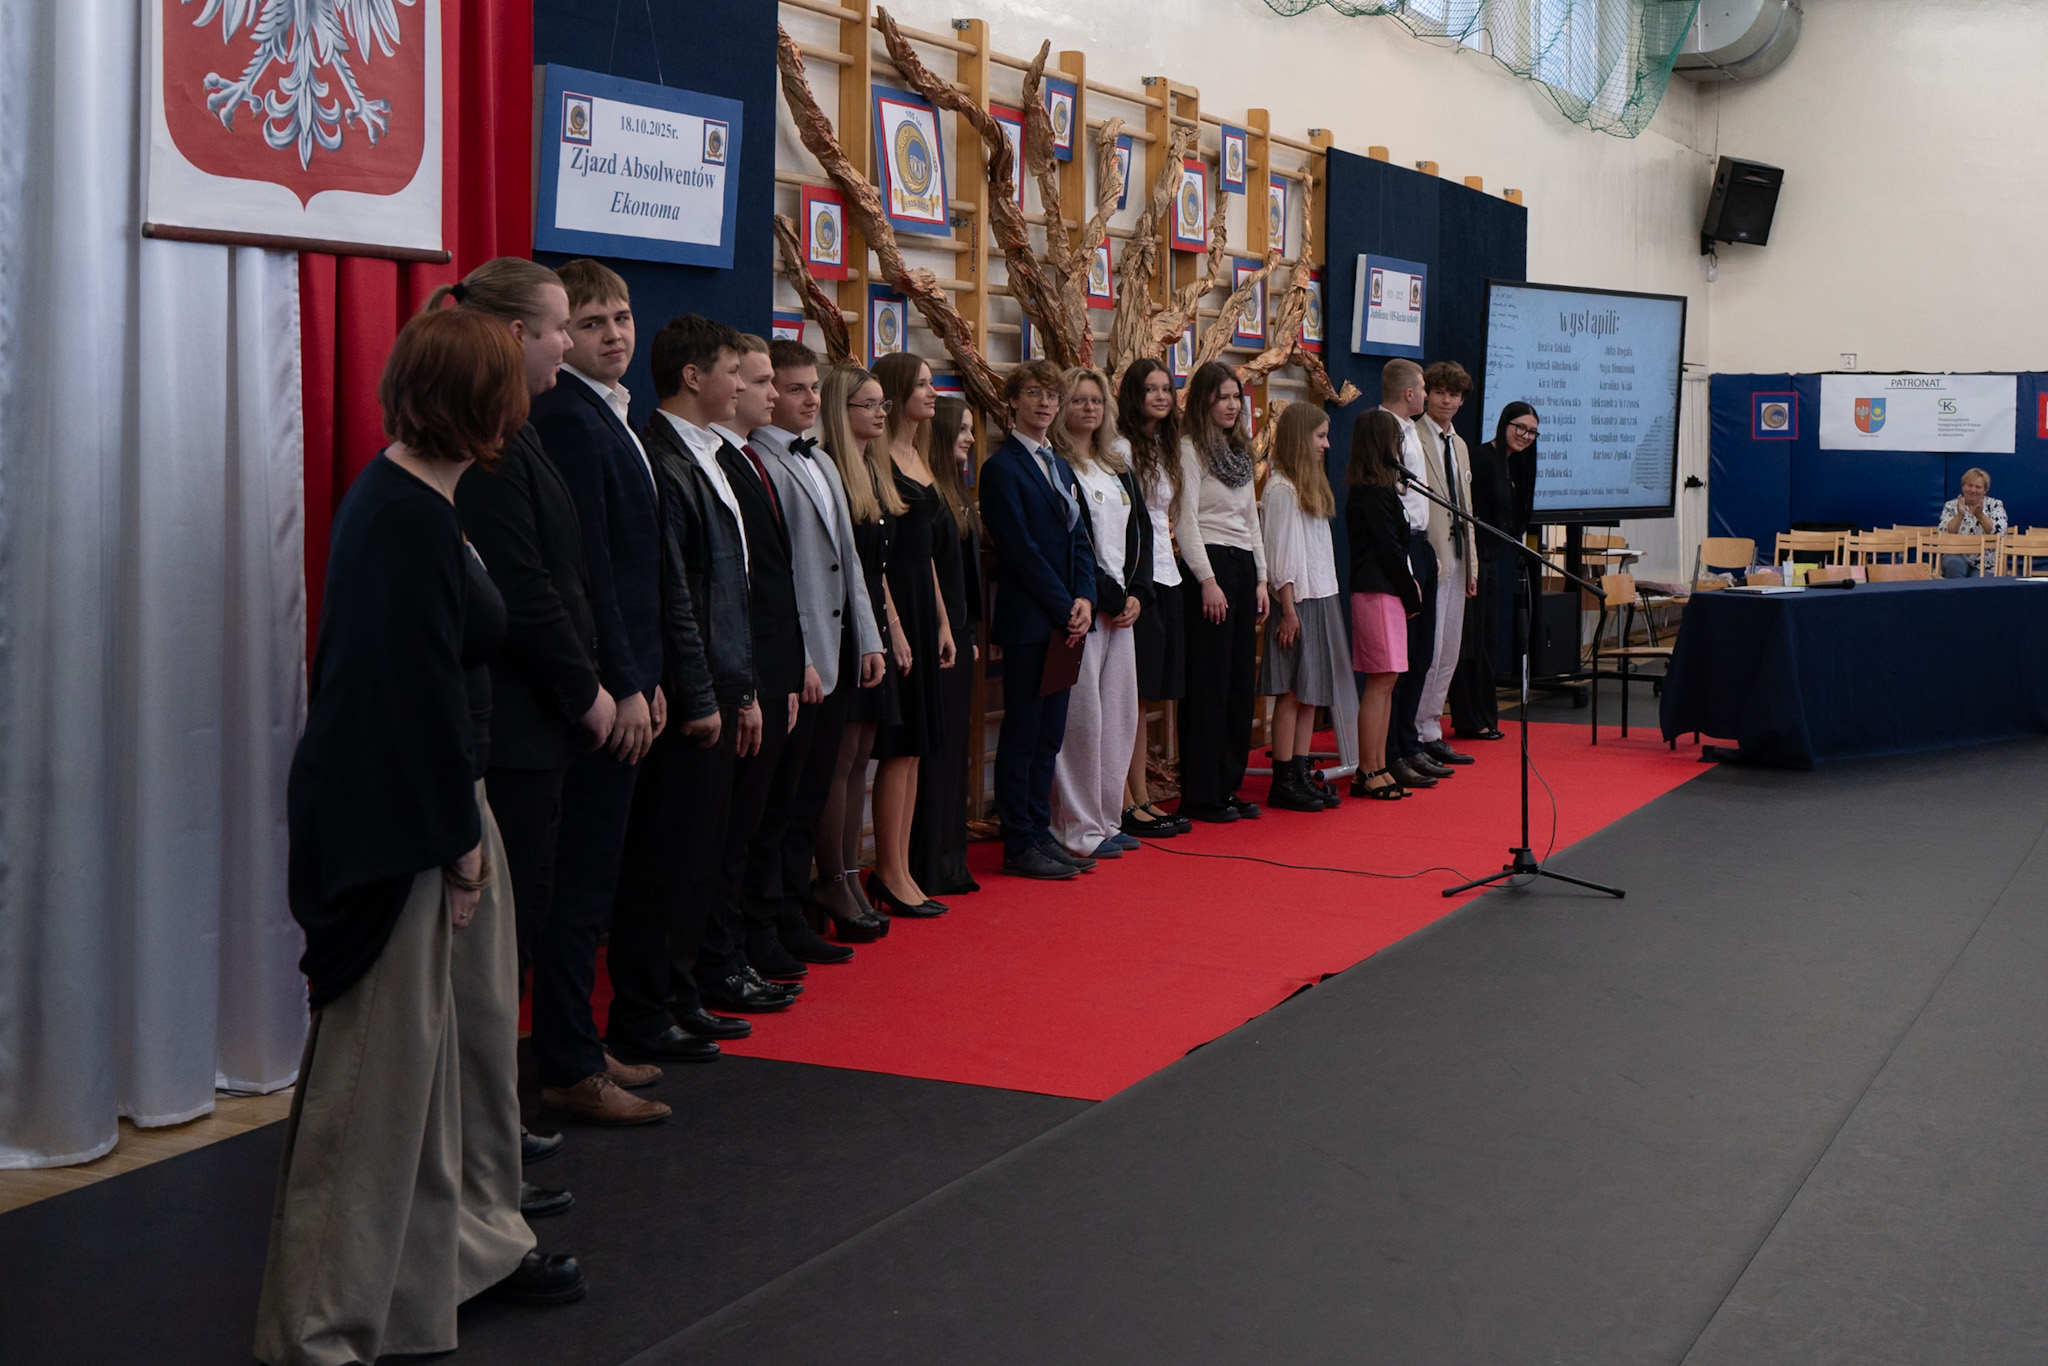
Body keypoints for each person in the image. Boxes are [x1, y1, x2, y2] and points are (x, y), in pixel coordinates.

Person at [257, 309, 579, 1366]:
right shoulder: (399, 512)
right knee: (381, 1084)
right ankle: (321, 1326)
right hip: (401, 828)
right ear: (474, 399)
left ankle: (436, 1271)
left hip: (443, 807)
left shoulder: (430, 501)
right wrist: (458, 842)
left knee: (459, 1067)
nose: (534, 392)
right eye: (514, 381)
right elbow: (404, 698)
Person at [444, 257, 613, 1197]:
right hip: (512, 729)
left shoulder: (524, 432)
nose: (568, 344)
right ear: (514, 336)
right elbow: (525, 591)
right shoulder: (497, 455)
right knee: (496, 947)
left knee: (525, 926)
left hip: (538, 728)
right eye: (558, 328)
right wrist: (587, 688)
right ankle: (482, 1139)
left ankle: (494, 1123)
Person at [525, 260, 674, 1124]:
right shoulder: (570, 419)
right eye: (590, 323)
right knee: (578, 884)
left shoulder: (611, 414)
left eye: (621, 317)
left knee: (597, 880)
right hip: (601, 691)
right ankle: (568, 1063)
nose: (614, 333)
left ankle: (579, 1043)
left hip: (635, 678)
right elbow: (590, 574)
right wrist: (622, 682)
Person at [753, 341, 891, 953]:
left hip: (840, 649)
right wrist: (805, 655)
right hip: (801, 659)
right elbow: (779, 576)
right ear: (766, 394)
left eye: (814, 388)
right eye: (794, 389)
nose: (809, 399)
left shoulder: (828, 462)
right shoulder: (761, 462)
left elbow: (849, 561)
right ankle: (772, 918)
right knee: (781, 800)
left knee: (810, 794)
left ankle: (792, 909)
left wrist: (867, 636)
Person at [704, 333, 813, 995]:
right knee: (732, 830)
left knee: (762, 820)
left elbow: (779, 578)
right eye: (764, 380)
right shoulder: (721, 461)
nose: (773, 393)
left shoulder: (750, 460)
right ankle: (723, 957)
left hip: (775, 667)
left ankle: (741, 944)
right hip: (743, 674)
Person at [979, 360, 1097, 880]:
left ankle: (1039, 828)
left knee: (1050, 733)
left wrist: (1086, 599)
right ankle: (1018, 839)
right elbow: (1020, 551)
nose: (1045, 404)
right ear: (1013, 401)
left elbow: (1080, 540)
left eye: (1052, 395)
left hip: (1066, 621)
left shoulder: (1060, 464)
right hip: (1032, 619)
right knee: (1023, 733)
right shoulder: (1002, 468)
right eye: (1034, 393)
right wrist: (1062, 605)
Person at [866, 353, 958, 917]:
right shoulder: (877, 458)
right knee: (897, 750)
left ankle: (901, 868)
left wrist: (944, 620)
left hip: (924, 610)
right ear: (899, 393)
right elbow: (879, 558)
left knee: (918, 749)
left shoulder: (919, 455)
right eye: (923, 384)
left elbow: (926, 556)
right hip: (893, 611)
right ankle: (889, 870)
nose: (932, 393)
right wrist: (894, 625)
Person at [1052, 365, 1150, 860]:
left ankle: (1108, 819)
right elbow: (1075, 543)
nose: (1088, 408)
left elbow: (1140, 536)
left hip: (1121, 611)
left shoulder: (1117, 466)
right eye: (1077, 400)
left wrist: (1137, 591)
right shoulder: (1058, 465)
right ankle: (1077, 826)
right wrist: (1108, 596)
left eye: (1095, 401)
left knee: (1119, 717)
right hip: (1085, 609)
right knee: (1082, 720)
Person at [814, 365, 898, 936]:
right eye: (867, 404)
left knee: (861, 760)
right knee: (838, 765)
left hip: (870, 633)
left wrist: (890, 631)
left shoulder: (872, 470)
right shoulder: (831, 472)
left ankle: (847, 873)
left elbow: (878, 572)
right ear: (840, 413)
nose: (880, 413)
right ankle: (833, 880)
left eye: (882, 404)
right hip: (841, 634)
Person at [1174, 361, 1269, 824]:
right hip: (1207, 569)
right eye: (1223, 397)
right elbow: (1185, 520)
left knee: (1237, 685)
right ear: (1205, 401)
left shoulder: (1240, 454)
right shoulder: (1190, 449)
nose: (1232, 405)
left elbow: (1251, 520)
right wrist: (1207, 580)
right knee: (1207, 685)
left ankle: (1228, 786)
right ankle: (1200, 791)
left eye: (1237, 397)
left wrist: (1262, 579)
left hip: (1241, 566)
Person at [1257, 401, 1354, 812]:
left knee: (1311, 691)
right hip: (1295, 602)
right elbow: (1281, 555)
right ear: (1300, 437)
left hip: (1320, 595)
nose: (1327, 444)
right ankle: (1283, 778)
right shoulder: (1281, 489)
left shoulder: (1307, 485)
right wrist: (1289, 609)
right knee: (1293, 692)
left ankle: (1299, 770)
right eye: (1319, 436)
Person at [909, 393, 984, 895]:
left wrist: (970, 632)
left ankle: (951, 859)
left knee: (957, 749)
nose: (971, 438)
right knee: (934, 752)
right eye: (962, 429)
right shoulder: (931, 492)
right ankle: (929, 863)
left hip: (959, 634)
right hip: (936, 635)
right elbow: (932, 570)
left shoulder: (957, 489)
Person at [1115, 359, 1190, 839]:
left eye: (1167, 389)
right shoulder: (1121, 446)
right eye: (1150, 390)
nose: (1161, 397)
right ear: (1133, 396)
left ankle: (1142, 795)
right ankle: (1128, 799)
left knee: (1149, 696)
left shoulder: (1165, 447)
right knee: (1133, 699)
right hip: (1137, 579)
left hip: (1169, 575)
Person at [1346, 408, 1426, 800]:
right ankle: (1368, 767)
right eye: (1396, 439)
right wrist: (1410, 589)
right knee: (1380, 680)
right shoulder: (1371, 493)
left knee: (1388, 679)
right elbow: (1389, 550)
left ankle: (1377, 764)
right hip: (1377, 590)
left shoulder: (1381, 489)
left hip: (1386, 590)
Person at [1376, 359, 1449, 793]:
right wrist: (1409, 555)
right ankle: (1392, 751)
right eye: (1422, 389)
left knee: (1422, 651)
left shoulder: (1411, 429)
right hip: (1400, 545)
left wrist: (1429, 551)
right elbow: (1393, 498)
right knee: (1400, 658)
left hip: (1420, 542)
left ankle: (1409, 740)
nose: (1425, 395)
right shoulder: (1384, 429)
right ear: (1408, 394)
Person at [1450, 402, 1538, 739]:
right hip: (1471, 560)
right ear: (1504, 424)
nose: (1525, 436)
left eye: (1532, 432)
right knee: (1470, 642)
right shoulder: (1483, 459)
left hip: (1493, 560)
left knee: (1487, 640)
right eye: (1520, 428)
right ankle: (1470, 718)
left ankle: (1485, 717)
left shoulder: (1519, 464)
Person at [1414, 361, 1479, 770]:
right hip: (1431, 557)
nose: (1448, 401)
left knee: (1450, 648)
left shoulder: (1459, 444)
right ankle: (1415, 730)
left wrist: (1471, 563)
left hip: (1458, 555)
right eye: (1440, 393)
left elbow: (1467, 507)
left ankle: (1432, 726)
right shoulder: (1414, 437)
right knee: (1430, 647)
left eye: (1454, 395)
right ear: (1426, 394)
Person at [1938, 467, 2007, 577]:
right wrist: (1960, 515)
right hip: (1957, 554)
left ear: (1985, 490)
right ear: (1963, 486)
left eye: (1978, 487)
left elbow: (1999, 532)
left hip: (1985, 560)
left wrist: (1980, 515)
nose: (1973, 490)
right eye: (1969, 485)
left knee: (1979, 582)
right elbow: (1945, 533)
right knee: (1954, 564)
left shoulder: (1995, 505)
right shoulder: (1950, 505)